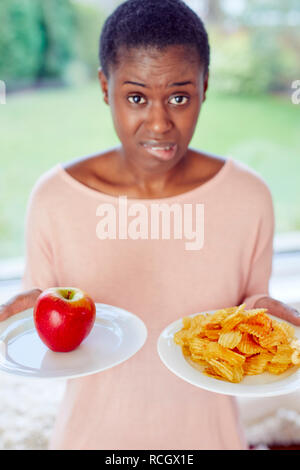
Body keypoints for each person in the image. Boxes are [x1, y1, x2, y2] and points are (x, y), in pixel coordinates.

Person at [0, 0, 299, 450]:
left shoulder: (247, 195)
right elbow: (47, 331)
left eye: (179, 96)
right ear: (106, 87)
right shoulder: (55, 197)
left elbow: (248, 306)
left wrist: (270, 315)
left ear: (205, 86)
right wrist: (21, 319)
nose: (159, 123)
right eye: (136, 97)